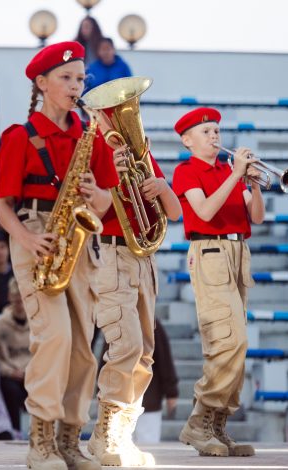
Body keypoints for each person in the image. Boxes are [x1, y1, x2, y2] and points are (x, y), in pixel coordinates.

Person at [0, 41, 120, 470]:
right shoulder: (18, 136)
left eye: (81, 79)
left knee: (84, 345)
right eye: (66, 78)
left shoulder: (90, 134)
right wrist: (28, 242)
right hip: (35, 232)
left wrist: (97, 194)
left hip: (80, 238)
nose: (75, 85)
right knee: (55, 337)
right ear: (42, 83)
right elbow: (1, 205)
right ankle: (40, 440)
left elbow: (106, 202)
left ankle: (69, 439)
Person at [86, 91, 181, 468]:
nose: (114, 120)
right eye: (108, 113)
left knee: (144, 354)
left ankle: (122, 435)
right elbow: (97, 205)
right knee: (124, 346)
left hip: (144, 257)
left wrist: (162, 188)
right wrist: (113, 171)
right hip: (110, 252)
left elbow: (172, 211)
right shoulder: (94, 150)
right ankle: (103, 435)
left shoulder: (141, 154)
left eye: (118, 112)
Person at [172, 107, 264, 458]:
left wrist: (252, 184)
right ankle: (199, 421)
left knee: (237, 345)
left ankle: (218, 423)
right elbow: (205, 211)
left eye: (216, 131)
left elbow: (256, 216)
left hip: (239, 253)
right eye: (206, 132)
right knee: (228, 340)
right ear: (187, 140)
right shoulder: (185, 171)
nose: (215, 137)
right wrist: (236, 175)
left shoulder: (231, 172)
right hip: (209, 253)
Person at [0, 277, 30, 433]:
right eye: (16, 298)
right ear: (9, 297)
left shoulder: (39, 322)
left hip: (33, 372)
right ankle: (15, 431)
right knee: (9, 388)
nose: (19, 302)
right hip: (10, 372)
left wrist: (30, 371)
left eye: (23, 298)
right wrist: (11, 372)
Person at [134, 319, 178, 445]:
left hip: (147, 401)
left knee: (147, 445)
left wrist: (171, 392)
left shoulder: (153, 325)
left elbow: (164, 361)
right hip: (125, 401)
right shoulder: (118, 321)